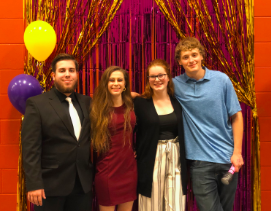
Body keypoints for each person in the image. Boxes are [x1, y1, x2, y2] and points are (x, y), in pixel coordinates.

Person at [173, 37, 244, 211]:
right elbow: (153, 93)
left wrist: (237, 153)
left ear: (202, 56)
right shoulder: (175, 85)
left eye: (194, 55)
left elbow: (236, 116)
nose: (191, 60)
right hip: (200, 163)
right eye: (186, 57)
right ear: (179, 61)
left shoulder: (222, 80)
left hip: (227, 159)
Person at [22, 53, 93, 211]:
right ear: (53, 75)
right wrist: (34, 184)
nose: (67, 74)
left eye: (71, 70)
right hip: (49, 187)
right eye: (62, 70)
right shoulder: (37, 104)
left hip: (82, 186)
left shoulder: (87, 102)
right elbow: (30, 148)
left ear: (77, 74)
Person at [134, 59, 187, 211]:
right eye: (152, 76)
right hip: (151, 158)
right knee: (151, 205)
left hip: (176, 156)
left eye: (161, 75)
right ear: (148, 80)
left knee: (176, 205)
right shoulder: (140, 103)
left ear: (168, 77)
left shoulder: (178, 102)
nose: (157, 80)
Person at [90, 66, 137, 211]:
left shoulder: (133, 101)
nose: (116, 83)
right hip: (107, 171)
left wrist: (139, 149)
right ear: (106, 83)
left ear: (125, 84)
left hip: (129, 170)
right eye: (112, 80)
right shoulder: (97, 108)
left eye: (119, 80)